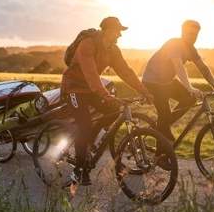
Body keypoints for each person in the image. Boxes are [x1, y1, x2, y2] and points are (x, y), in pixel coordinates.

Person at [61, 16, 154, 185]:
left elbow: (125, 71)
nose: (120, 35)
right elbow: (91, 73)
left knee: (113, 110)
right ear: (105, 31)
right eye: (117, 31)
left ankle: (89, 141)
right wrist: (105, 94)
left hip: (91, 89)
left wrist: (143, 90)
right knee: (85, 126)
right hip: (74, 88)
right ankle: (78, 171)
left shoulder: (112, 49)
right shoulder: (87, 44)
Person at [142, 20, 214, 144]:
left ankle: (163, 126)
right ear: (182, 32)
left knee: (189, 99)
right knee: (165, 113)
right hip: (152, 82)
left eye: (196, 34)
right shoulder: (174, 44)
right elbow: (179, 67)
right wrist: (190, 88)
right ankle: (161, 155)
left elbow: (203, 69)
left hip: (167, 82)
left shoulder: (191, 49)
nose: (193, 37)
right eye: (190, 33)